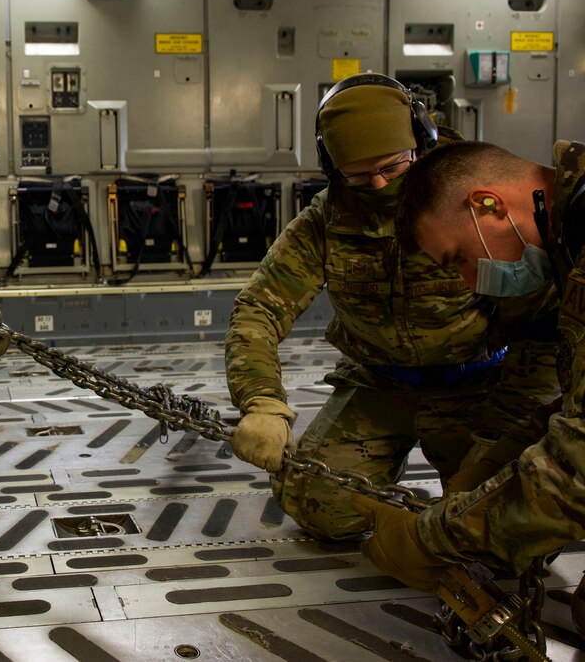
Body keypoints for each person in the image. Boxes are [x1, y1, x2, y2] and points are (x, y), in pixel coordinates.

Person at [224, 73, 560, 542]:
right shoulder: (327, 221)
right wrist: (261, 401)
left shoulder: (472, 205)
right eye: (359, 176)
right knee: (318, 505)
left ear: (420, 142)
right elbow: (259, 308)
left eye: (393, 167)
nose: (379, 184)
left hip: (479, 386)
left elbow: (540, 334)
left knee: (508, 522)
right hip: (379, 384)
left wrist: (504, 435)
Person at [356, 140, 585, 620]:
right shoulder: (571, 237)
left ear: (489, 205)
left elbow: (576, 470)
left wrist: (433, 537)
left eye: (457, 257)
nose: (466, 282)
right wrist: (489, 472)